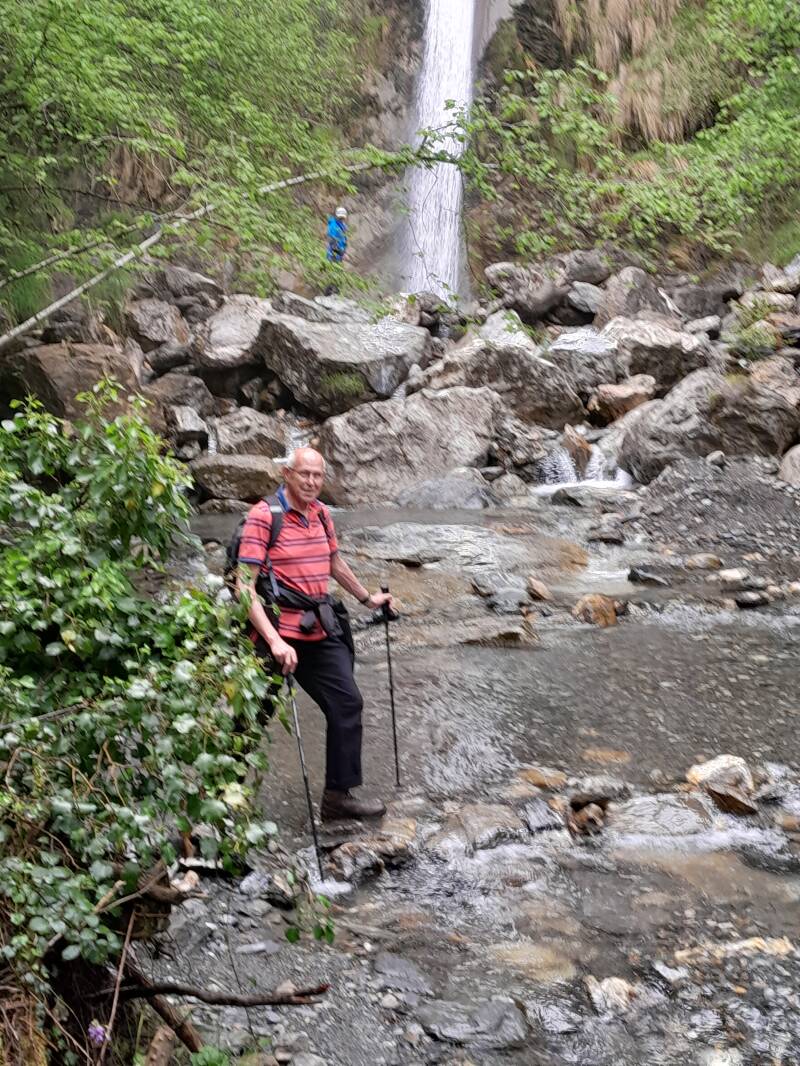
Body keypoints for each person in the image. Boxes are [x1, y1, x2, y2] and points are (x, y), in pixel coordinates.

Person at [236, 447, 393, 821]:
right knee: (249, 720)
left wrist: (367, 598)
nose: (311, 482)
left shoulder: (322, 514)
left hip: (318, 629)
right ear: (287, 474)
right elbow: (244, 587)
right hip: (274, 634)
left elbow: (334, 562)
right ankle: (218, 800)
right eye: (304, 474)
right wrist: (274, 641)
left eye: (317, 475)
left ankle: (337, 798)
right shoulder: (263, 516)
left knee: (347, 703)